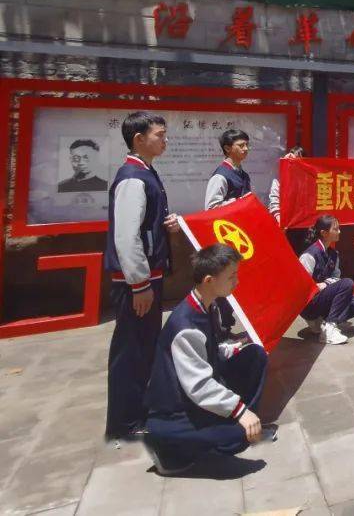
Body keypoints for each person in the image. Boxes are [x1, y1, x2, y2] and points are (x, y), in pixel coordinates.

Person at [143, 244, 274, 476]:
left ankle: (242, 422)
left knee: (255, 355)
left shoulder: (206, 305)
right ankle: (169, 449)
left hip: (194, 396)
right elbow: (199, 386)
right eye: (231, 276)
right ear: (209, 280)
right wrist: (241, 412)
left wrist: (236, 348)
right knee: (238, 438)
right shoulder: (186, 326)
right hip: (175, 412)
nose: (237, 281)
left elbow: (209, 351)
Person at [104, 111, 180, 441]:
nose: (164, 140)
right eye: (159, 135)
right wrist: (139, 284)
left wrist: (165, 224)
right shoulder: (132, 178)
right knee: (131, 351)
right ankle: (124, 424)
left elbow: (144, 224)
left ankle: (141, 411)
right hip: (135, 283)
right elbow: (126, 237)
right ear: (139, 139)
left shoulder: (146, 173)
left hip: (148, 278)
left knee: (145, 346)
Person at [298, 214, 354, 344]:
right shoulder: (309, 255)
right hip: (309, 304)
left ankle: (324, 323)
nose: (339, 231)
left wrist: (325, 283)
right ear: (324, 233)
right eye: (335, 229)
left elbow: (336, 277)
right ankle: (329, 329)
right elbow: (301, 287)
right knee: (347, 283)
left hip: (323, 297)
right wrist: (322, 285)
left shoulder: (333, 254)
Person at [205, 128, 252, 210]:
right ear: (227, 148)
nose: (246, 149)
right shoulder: (220, 177)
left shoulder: (244, 175)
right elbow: (211, 209)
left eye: (247, 145)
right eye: (241, 145)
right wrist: (238, 202)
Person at [268, 145, 305, 224]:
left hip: (301, 223)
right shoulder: (279, 179)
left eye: (297, 158)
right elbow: (274, 202)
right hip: (283, 222)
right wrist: (279, 219)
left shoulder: (307, 179)